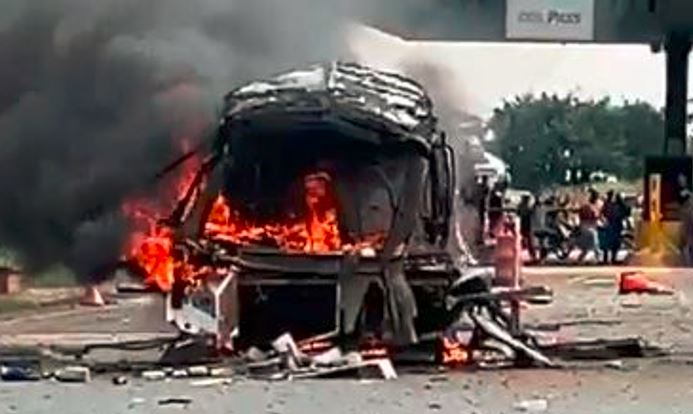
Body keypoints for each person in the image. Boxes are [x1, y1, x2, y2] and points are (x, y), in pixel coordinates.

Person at [576, 189, 602, 263]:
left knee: (586, 246)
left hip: (586, 226)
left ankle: (580, 259)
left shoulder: (589, 206)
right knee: (595, 242)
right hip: (588, 226)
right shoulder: (588, 207)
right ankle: (598, 258)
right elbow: (594, 216)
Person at [517, 194, 536, 262]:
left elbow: (518, 213)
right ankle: (531, 255)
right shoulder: (525, 206)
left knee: (527, 240)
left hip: (526, 224)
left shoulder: (522, 206)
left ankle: (531, 255)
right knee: (527, 240)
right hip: (526, 224)